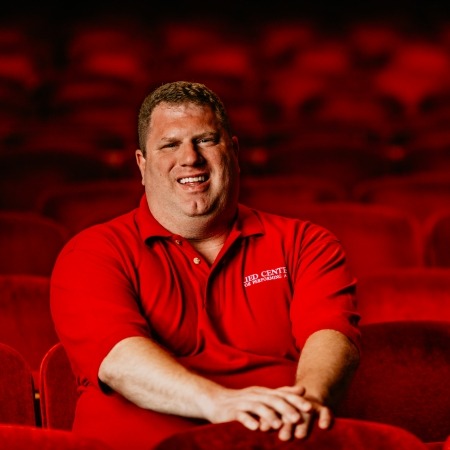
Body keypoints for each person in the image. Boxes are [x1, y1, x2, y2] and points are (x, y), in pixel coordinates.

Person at [50, 81, 360, 450]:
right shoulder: (92, 252)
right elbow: (120, 360)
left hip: (276, 442)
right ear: (142, 164)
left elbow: (331, 336)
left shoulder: (306, 242)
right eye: (170, 144)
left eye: (206, 140)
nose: (190, 158)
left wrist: (306, 404)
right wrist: (220, 403)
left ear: (234, 150)